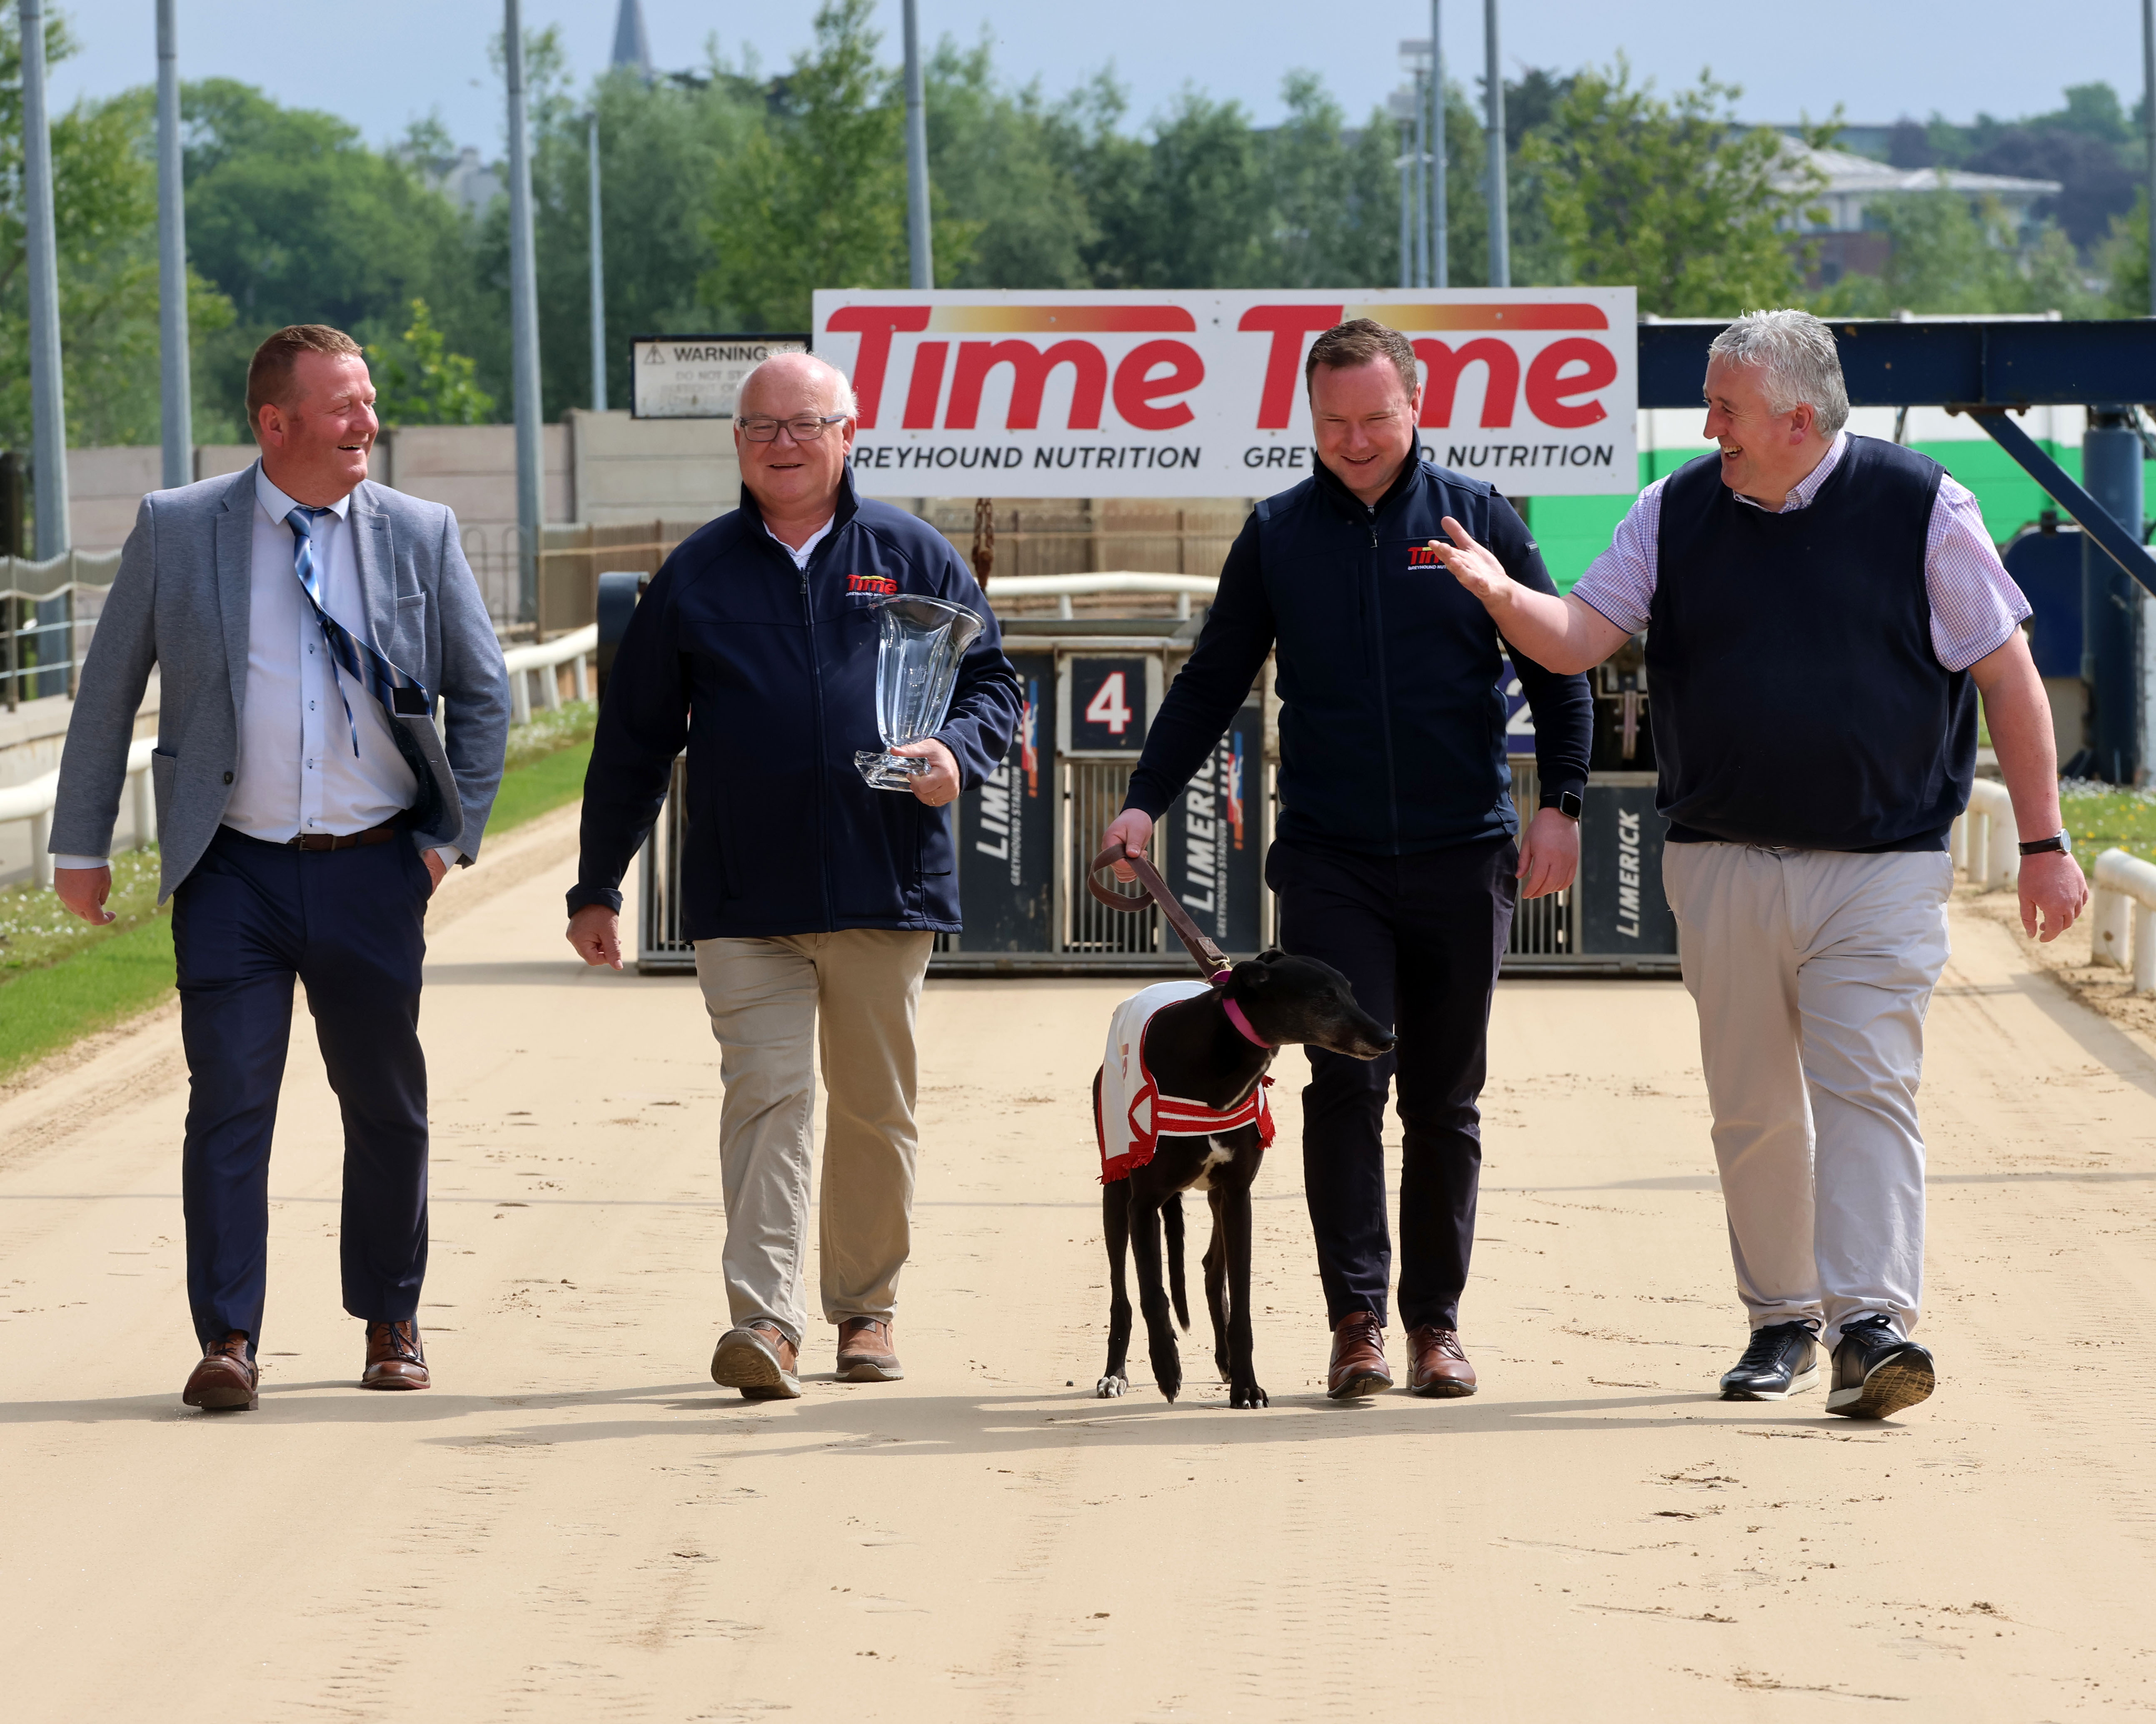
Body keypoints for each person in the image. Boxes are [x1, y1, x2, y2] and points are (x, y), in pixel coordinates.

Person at [1435, 306, 2086, 1420]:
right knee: (1752, 1105)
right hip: (1723, 859)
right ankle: (1780, 1316)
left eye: (1725, 407)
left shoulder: (1925, 505)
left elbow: (2011, 678)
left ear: (1797, 416)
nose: (1708, 425)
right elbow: (1579, 640)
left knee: (1868, 1090)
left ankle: (1872, 1324)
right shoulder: (1675, 508)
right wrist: (1502, 598)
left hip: (1881, 865)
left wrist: (2045, 842)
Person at [1100, 318, 1592, 1401]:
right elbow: (1212, 681)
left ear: (1419, 407)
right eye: (1334, 422)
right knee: (1345, 1084)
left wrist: (1559, 805)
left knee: (1445, 1099)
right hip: (1331, 859)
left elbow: (1562, 667)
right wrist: (1142, 802)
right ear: (1308, 417)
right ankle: (1357, 1321)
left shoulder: (1482, 520)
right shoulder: (1278, 533)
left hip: (1467, 852)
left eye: (1377, 418)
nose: (1357, 440)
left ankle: (1437, 1324)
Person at [49, 323, 511, 1411]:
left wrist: (448, 841)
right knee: (229, 1103)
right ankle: (231, 1338)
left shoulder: (420, 531)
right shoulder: (179, 530)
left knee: (385, 1101)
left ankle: (391, 1319)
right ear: (276, 422)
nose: (369, 423)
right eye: (346, 405)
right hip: (231, 873)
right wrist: (79, 846)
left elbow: (482, 692)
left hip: (374, 867)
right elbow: (108, 691)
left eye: (369, 400)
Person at [566, 352, 1020, 1400]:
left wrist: (959, 751)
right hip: (743, 898)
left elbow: (992, 682)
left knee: (873, 1107)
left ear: (847, 433)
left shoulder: (911, 554)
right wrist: (598, 884)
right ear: (736, 444)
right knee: (766, 1099)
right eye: (762, 427)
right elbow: (632, 741)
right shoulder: (696, 575)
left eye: (804, 424)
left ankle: (865, 1310)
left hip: (883, 883)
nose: (783, 442)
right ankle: (763, 1323)